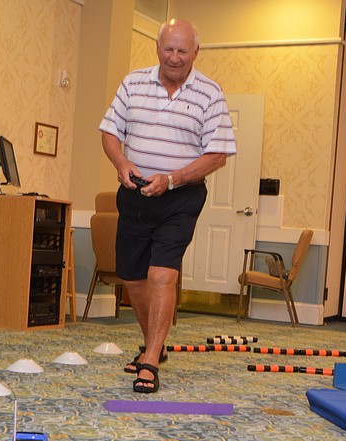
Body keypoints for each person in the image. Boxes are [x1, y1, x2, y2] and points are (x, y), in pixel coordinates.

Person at [99, 19, 236, 393]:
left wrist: (172, 179)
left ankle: (150, 361)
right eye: (168, 49)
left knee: (162, 274)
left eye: (182, 50)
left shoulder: (209, 93)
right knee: (134, 277)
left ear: (195, 52)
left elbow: (218, 154)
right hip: (135, 192)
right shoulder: (133, 83)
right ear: (157, 49)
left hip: (181, 196)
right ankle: (153, 346)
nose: (174, 57)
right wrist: (122, 163)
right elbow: (110, 131)